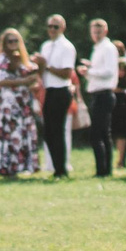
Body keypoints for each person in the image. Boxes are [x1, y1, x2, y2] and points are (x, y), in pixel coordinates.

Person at [0, 29, 38, 178]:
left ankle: (18, 165)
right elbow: (1, 80)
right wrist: (23, 81)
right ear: (5, 44)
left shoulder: (23, 58)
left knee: (19, 131)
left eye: (16, 41)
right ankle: (4, 165)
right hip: (8, 101)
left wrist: (31, 79)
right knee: (7, 132)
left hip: (21, 100)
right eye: (10, 41)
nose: (13, 44)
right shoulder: (2, 58)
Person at [36, 15, 77, 178]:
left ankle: (61, 168)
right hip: (49, 90)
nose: (52, 30)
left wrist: (47, 66)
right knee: (48, 131)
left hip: (61, 90)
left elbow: (67, 73)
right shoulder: (45, 46)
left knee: (57, 130)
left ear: (63, 28)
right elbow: (42, 72)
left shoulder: (67, 47)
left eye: (56, 27)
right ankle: (56, 166)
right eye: (50, 26)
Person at [81, 18, 121, 178]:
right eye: (94, 32)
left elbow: (109, 71)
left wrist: (89, 72)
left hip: (104, 93)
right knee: (103, 133)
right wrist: (91, 67)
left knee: (98, 134)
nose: (96, 35)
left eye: (99, 32)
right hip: (97, 93)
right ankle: (105, 169)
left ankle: (102, 169)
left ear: (105, 31)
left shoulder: (108, 48)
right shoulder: (97, 49)